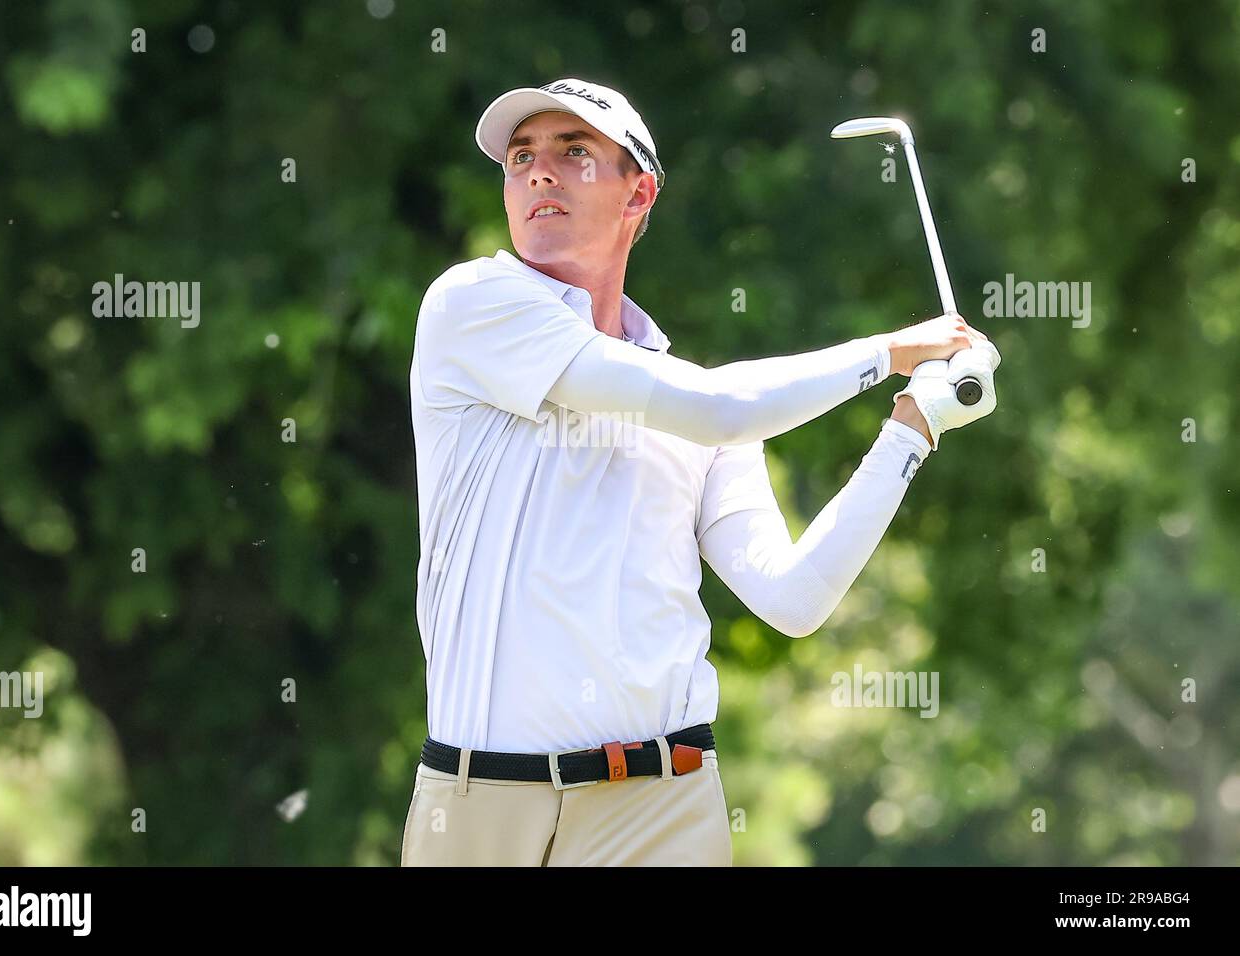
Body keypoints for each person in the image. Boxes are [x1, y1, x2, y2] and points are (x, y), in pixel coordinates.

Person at [400, 78, 1000, 866]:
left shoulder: (688, 403)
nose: (539, 172)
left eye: (574, 152)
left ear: (638, 192)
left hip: (663, 805)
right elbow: (725, 406)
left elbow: (792, 599)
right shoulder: (473, 305)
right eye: (521, 158)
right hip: (480, 810)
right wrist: (891, 352)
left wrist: (913, 426)